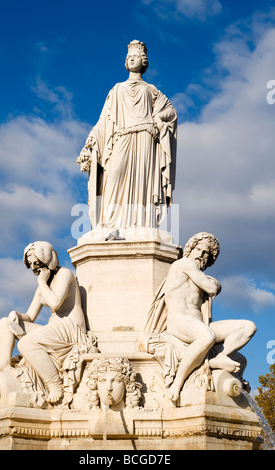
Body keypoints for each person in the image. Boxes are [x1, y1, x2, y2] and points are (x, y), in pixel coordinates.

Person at [140, 232, 257, 403]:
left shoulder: (197, 275)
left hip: (198, 325)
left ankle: (216, 359)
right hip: (179, 322)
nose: (201, 255)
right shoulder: (183, 264)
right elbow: (212, 288)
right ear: (190, 249)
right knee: (207, 336)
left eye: (206, 253)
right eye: (198, 250)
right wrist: (216, 283)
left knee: (248, 327)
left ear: (210, 259)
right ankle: (177, 384)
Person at [77, 40, 177, 230]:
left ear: (144, 61)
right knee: (114, 174)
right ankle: (111, 223)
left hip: (146, 138)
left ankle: (141, 223)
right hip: (122, 137)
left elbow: (171, 112)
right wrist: (90, 142)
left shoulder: (151, 90)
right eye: (129, 57)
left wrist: (157, 118)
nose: (131, 59)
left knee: (142, 179)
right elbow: (104, 121)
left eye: (136, 56)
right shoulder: (117, 89)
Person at [0, 241, 97, 405]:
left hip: (70, 328)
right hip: (55, 328)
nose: (35, 268)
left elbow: (56, 303)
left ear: (48, 259)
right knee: (4, 322)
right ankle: (5, 363)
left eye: (37, 263)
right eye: (31, 264)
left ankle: (55, 385)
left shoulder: (65, 274)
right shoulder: (42, 286)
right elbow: (30, 316)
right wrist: (16, 315)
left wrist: (42, 283)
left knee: (26, 343)